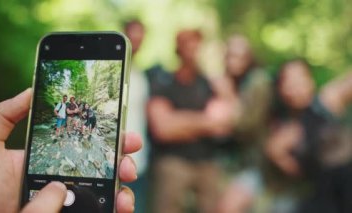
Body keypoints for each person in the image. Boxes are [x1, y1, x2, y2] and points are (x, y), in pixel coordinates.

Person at [0, 88, 142, 212]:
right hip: (66, 119)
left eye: (72, 98)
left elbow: (77, 112)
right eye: (70, 98)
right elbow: (71, 111)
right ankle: (64, 137)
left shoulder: (79, 106)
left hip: (75, 120)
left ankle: (77, 136)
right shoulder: (67, 105)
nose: (71, 99)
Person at [147, 29, 234, 213]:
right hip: (172, 161)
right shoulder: (164, 82)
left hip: (207, 161)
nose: (192, 50)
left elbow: (223, 124)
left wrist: (180, 121)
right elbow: (163, 129)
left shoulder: (210, 84)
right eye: (187, 44)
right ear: (177, 49)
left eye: (196, 45)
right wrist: (204, 123)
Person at [265, 59, 352, 212]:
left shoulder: (325, 103)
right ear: (281, 89)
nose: (296, 86)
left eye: (300, 78)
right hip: (322, 198)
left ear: (310, 81)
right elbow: (280, 158)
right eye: (289, 81)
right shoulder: (284, 127)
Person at [214, 35, 272, 213]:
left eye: (239, 56)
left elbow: (247, 126)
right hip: (227, 163)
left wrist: (228, 97)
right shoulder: (228, 80)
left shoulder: (258, 81)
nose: (233, 61)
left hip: (253, 165)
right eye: (230, 55)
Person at [123, 19, 150, 213]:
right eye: (133, 36)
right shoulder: (115, 71)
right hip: (120, 161)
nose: (137, 42)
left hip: (141, 161)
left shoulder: (141, 74)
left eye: (140, 37)